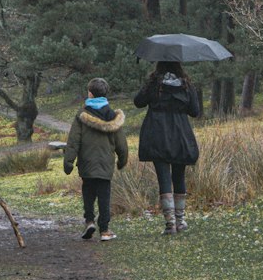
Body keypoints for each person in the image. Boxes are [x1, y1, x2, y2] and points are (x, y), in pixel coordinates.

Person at [134, 60, 201, 234]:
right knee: (179, 177)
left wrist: (149, 83)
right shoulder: (186, 85)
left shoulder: (154, 84)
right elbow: (195, 111)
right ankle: (180, 221)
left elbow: (138, 102)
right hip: (180, 135)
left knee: (163, 178)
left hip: (157, 134)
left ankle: (170, 223)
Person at [62, 76, 129, 243]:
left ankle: (89, 221)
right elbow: (122, 143)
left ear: (90, 94)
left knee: (88, 193)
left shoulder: (81, 115)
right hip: (106, 164)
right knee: (104, 196)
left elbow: (73, 140)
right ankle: (105, 230)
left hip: (86, 163)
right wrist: (122, 160)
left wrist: (68, 161)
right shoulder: (113, 116)